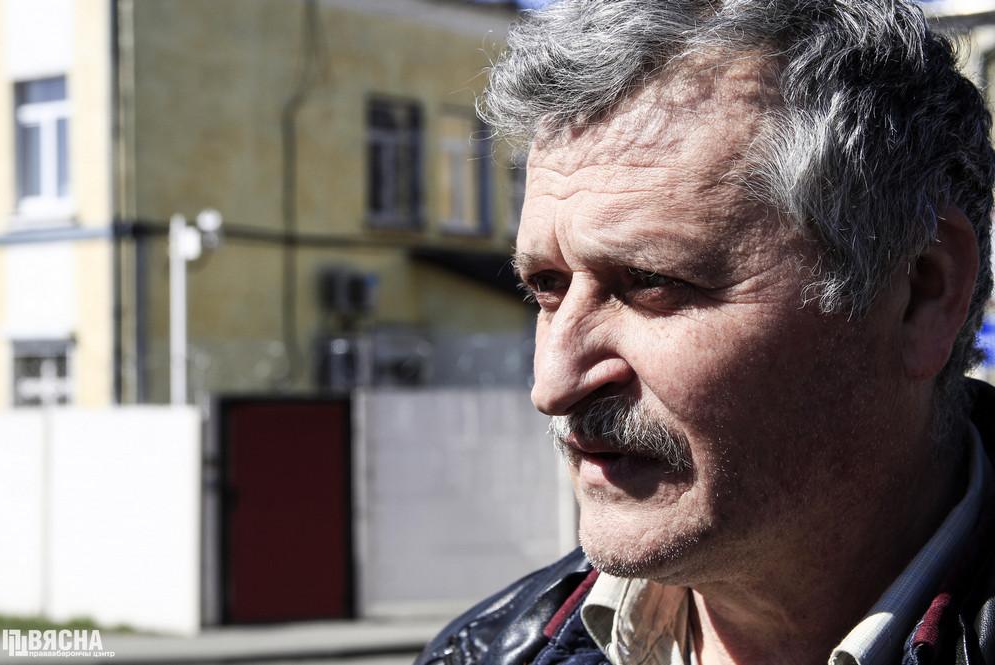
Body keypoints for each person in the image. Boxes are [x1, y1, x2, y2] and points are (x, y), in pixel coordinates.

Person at [415, 1, 995, 664]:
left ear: (922, 293)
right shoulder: (483, 651)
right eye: (547, 287)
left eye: (650, 282)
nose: (552, 384)